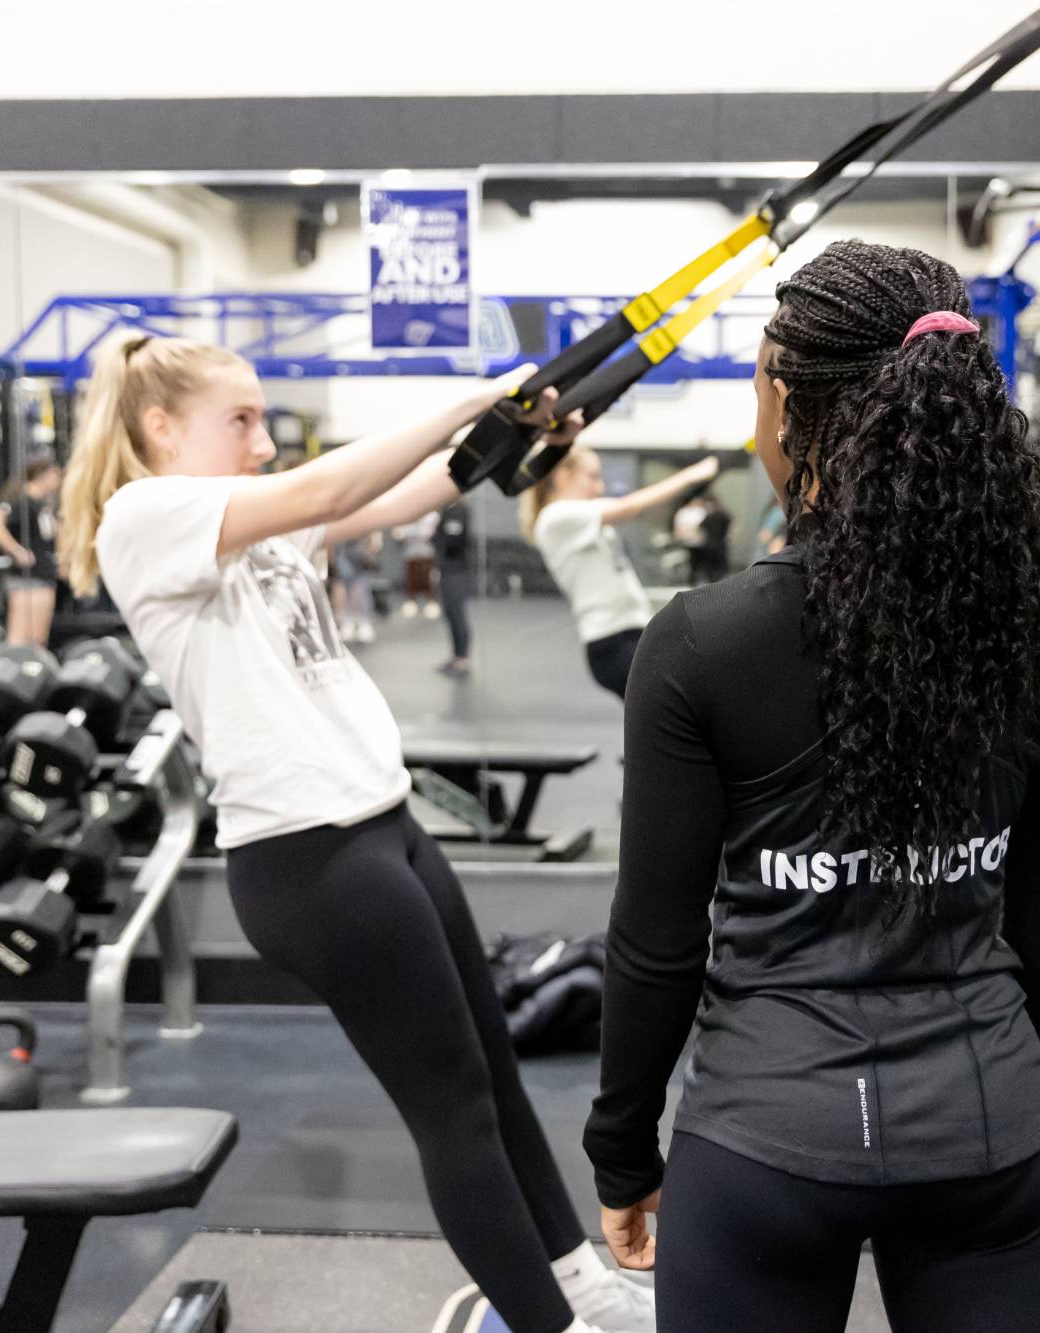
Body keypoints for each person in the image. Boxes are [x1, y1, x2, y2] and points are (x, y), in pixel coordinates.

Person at [56, 333, 652, 1333]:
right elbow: (330, 492)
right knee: (453, 1109)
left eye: (262, 419)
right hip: (310, 860)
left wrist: (522, 439)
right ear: (160, 427)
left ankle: (575, 1281)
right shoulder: (145, 517)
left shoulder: (253, 524)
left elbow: (416, 491)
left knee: (494, 1077)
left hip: (383, 827)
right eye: (237, 420)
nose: (260, 439)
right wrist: (474, 396)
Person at [584, 240, 1040, 1333]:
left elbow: (657, 943)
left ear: (784, 401)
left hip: (766, 1140)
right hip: (989, 1128)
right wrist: (986, 1052)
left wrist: (621, 1148)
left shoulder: (698, 644)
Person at [518, 447, 718, 700]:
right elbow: (630, 506)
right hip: (613, 644)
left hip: (630, 636)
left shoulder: (577, 519)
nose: (599, 487)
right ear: (562, 476)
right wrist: (690, 475)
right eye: (592, 477)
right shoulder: (555, 517)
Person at [0, 453, 63, 648]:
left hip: (42, 576)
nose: (58, 481)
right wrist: (16, 551)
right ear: (42, 474)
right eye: (55, 476)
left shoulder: (41, 505)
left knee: (36, 641)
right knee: (22, 640)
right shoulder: (23, 503)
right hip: (28, 578)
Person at [435, 496, 474, 677]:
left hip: (456, 571)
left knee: (457, 615)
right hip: (449, 569)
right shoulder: (449, 510)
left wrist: (434, 536)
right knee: (451, 614)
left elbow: (453, 540)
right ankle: (456, 656)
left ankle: (462, 659)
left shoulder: (456, 511)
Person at [330, 530, 381, 644]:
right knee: (343, 588)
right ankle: (348, 621)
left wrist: (373, 543)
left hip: (359, 551)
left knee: (360, 588)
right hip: (342, 552)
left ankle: (363, 621)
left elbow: (372, 532)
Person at [692, 493, 730, 585]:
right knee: (718, 565)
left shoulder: (711, 516)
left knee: (712, 565)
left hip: (711, 543)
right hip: (718, 543)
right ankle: (716, 581)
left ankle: (713, 580)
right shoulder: (722, 515)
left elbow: (700, 527)